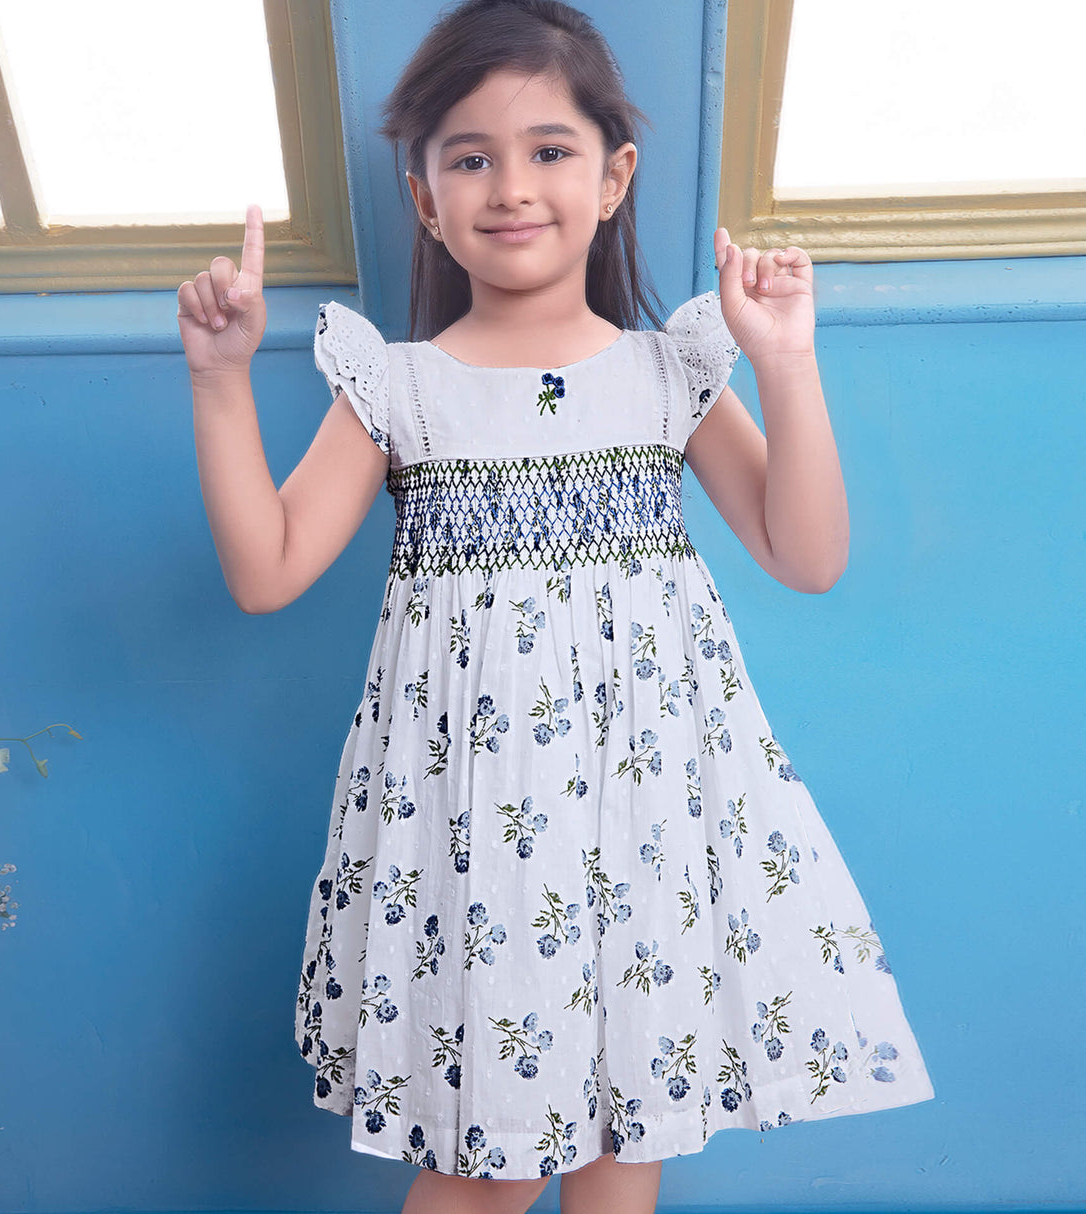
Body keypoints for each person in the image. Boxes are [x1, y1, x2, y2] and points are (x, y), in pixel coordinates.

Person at [176, 2, 935, 1210]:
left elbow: (806, 552)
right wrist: (220, 384)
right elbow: (266, 570)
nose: (509, 185)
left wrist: (784, 360)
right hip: (476, 832)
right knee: (489, 1158)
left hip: (645, 816)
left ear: (612, 173)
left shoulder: (665, 373)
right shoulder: (398, 387)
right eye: (467, 157)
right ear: (424, 196)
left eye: (547, 149)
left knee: (618, 1143)